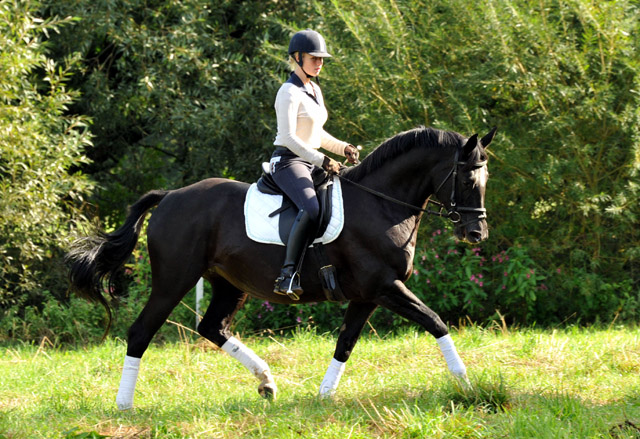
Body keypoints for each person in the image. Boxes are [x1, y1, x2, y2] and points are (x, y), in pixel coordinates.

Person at [270, 29, 359, 296]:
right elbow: (288, 137)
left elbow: (316, 133)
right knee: (310, 208)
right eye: (314, 58)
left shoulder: (314, 90)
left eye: (322, 59)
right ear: (297, 57)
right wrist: (323, 159)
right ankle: (287, 275)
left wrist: (343, 147)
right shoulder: (288, 92)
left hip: (312, 161)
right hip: (288, 162)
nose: (319, 63)